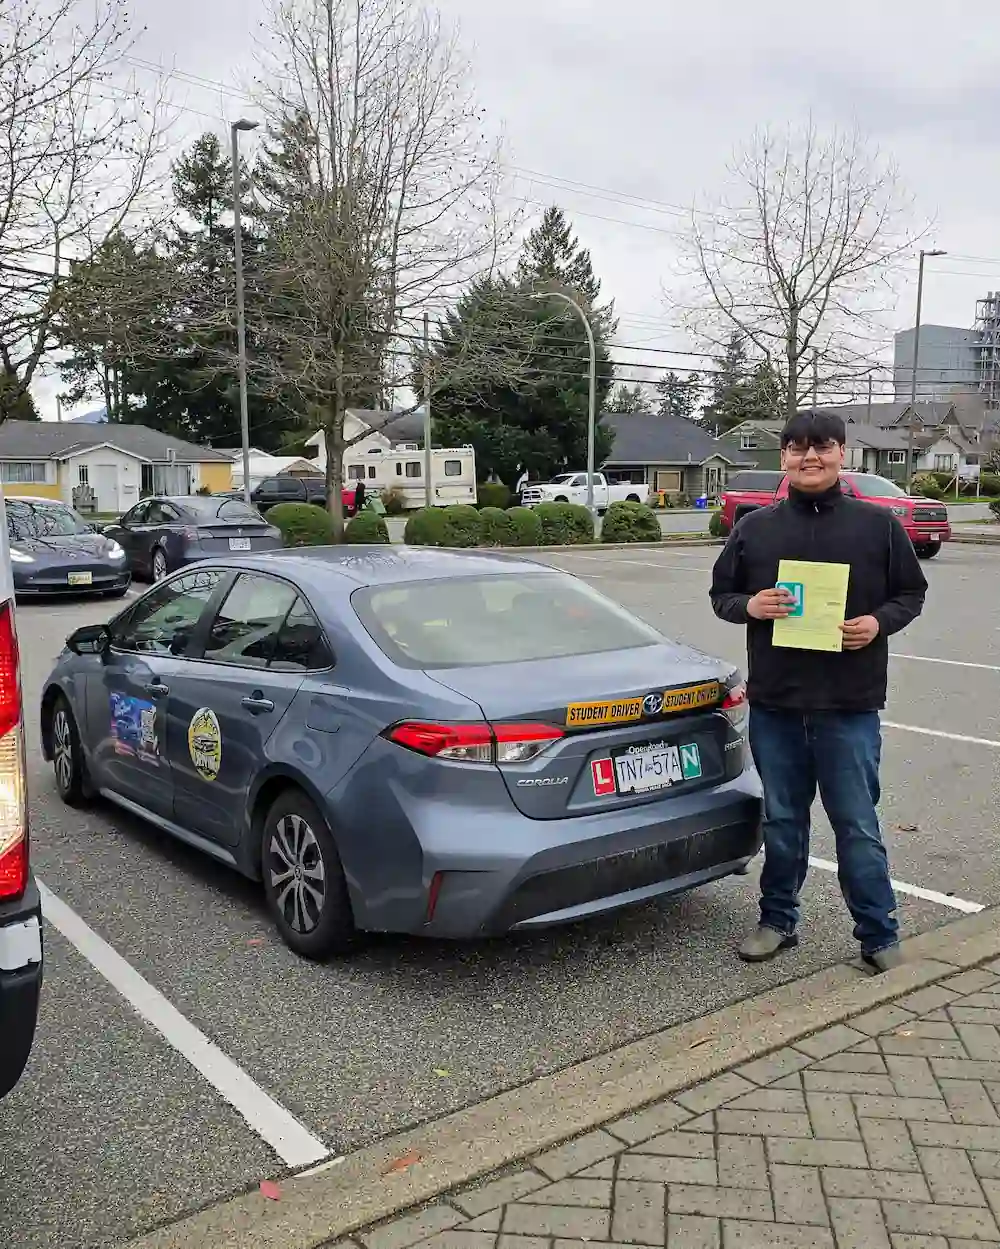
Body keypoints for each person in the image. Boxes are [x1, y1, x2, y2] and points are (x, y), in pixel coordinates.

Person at [709, 410, 928, 973]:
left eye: (822, 447)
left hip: (848, 705)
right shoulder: (754, 529)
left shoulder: (877, 526)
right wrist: (750, 606)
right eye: (798, 448)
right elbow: (722, 595)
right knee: (783, 821)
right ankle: (778, 921)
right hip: (777, 705)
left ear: (841, 453)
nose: (810, 457)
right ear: (783, 457)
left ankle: (879, 935)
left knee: (856, 823)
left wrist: (878, 623)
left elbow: (910, 593)